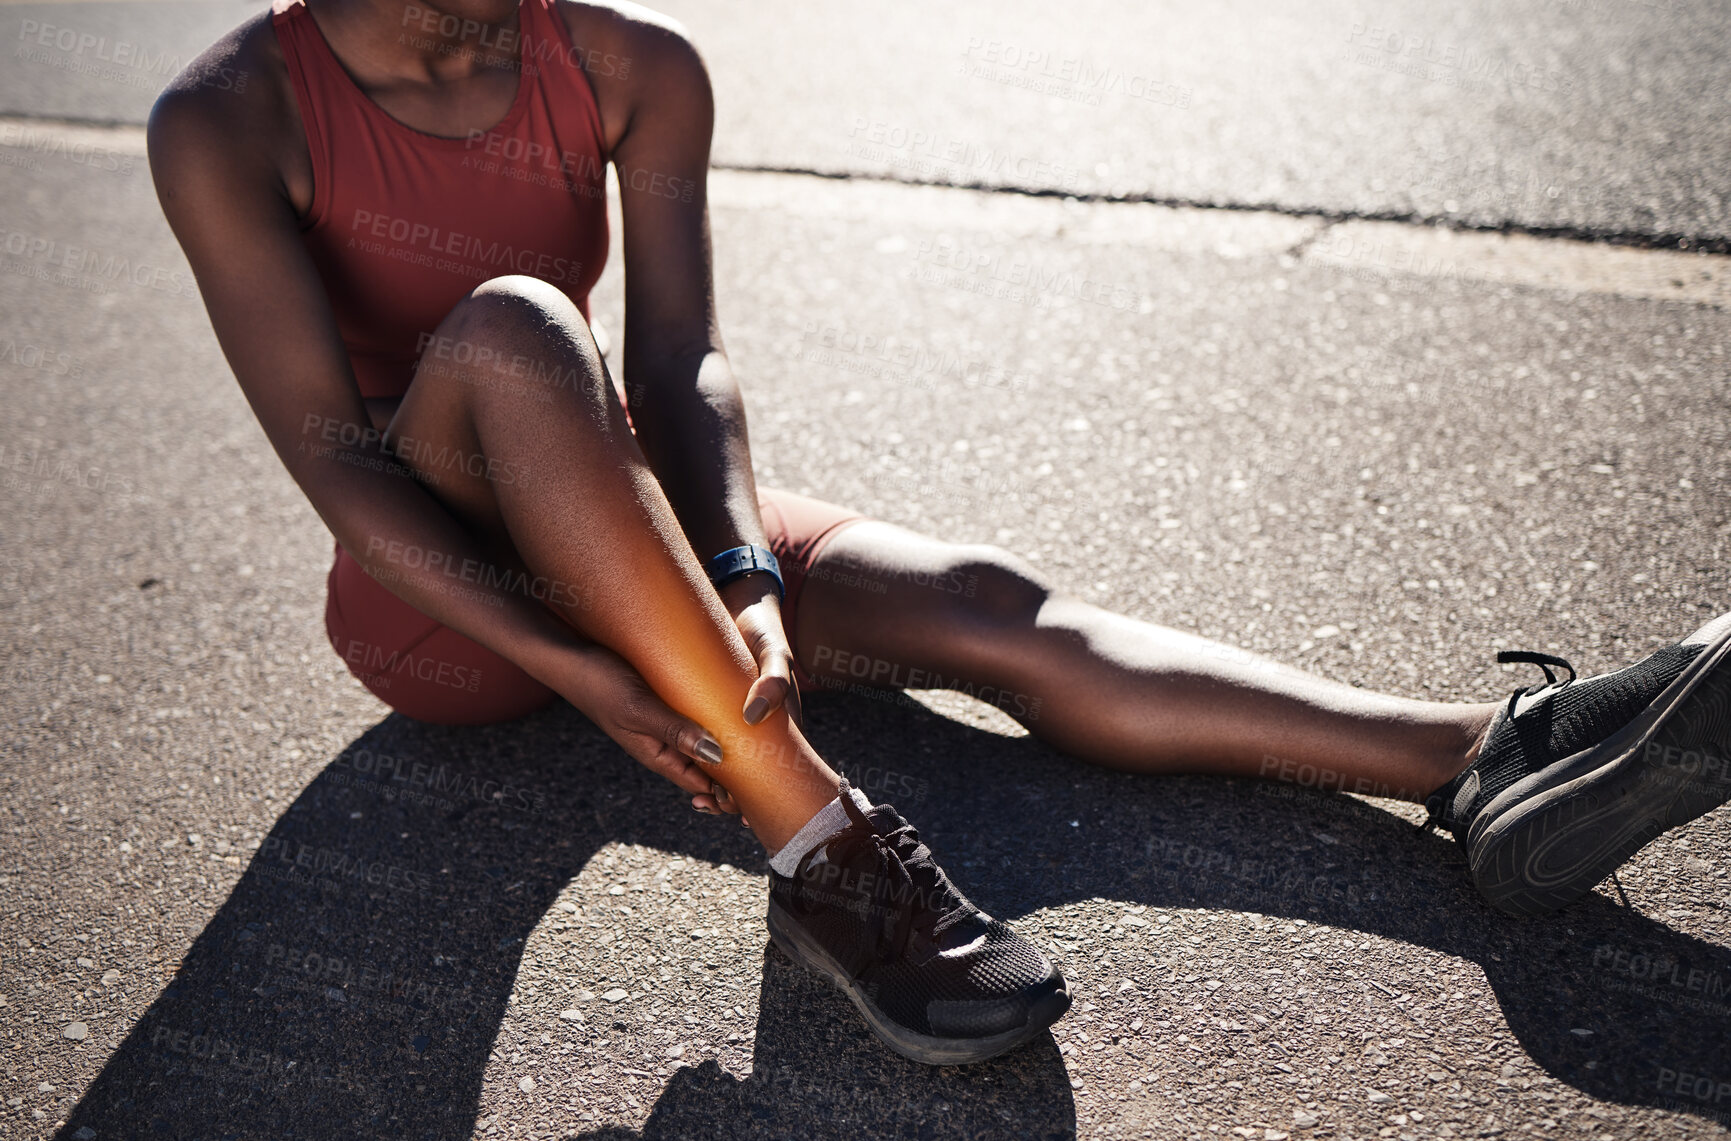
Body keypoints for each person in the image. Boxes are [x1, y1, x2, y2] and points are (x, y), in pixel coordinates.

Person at [147, 0, 1730, 1064]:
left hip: (629, 523)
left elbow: (679, 358)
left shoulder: (627, 61)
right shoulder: (229, 115)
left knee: (985, 605)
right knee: (508, 324)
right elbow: (337, 463)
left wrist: (747, 573)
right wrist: (585, 665)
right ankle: (826, 848)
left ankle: (1478, 757)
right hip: (444, 606)